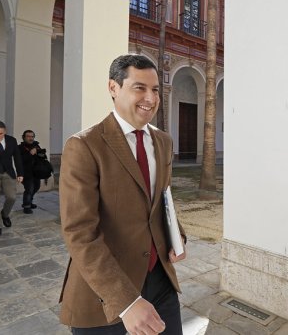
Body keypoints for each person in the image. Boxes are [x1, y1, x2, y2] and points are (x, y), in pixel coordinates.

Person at [59, 54, 187, 335]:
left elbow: (162, 200)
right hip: (105, 293)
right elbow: (80, 233)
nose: (150, 98)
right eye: (139, 88)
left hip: (160, 281)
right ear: (113, 88)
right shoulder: (84, 146)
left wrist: (176, 236)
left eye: (155, 90)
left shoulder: (163, 142)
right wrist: (127, 303)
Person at [19, 130, 44, 214]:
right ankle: (26, 206)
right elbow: (21, 160)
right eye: (28, 136)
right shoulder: (20, 147)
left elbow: (43, 157)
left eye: (32, 136)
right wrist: (30, 153)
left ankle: (29, 201)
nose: (31, 138)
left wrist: (41, 153)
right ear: (24, 137)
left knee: (36, 187)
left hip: (36, 172)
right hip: (26, 172)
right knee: (29, 189)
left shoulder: (36, 145)